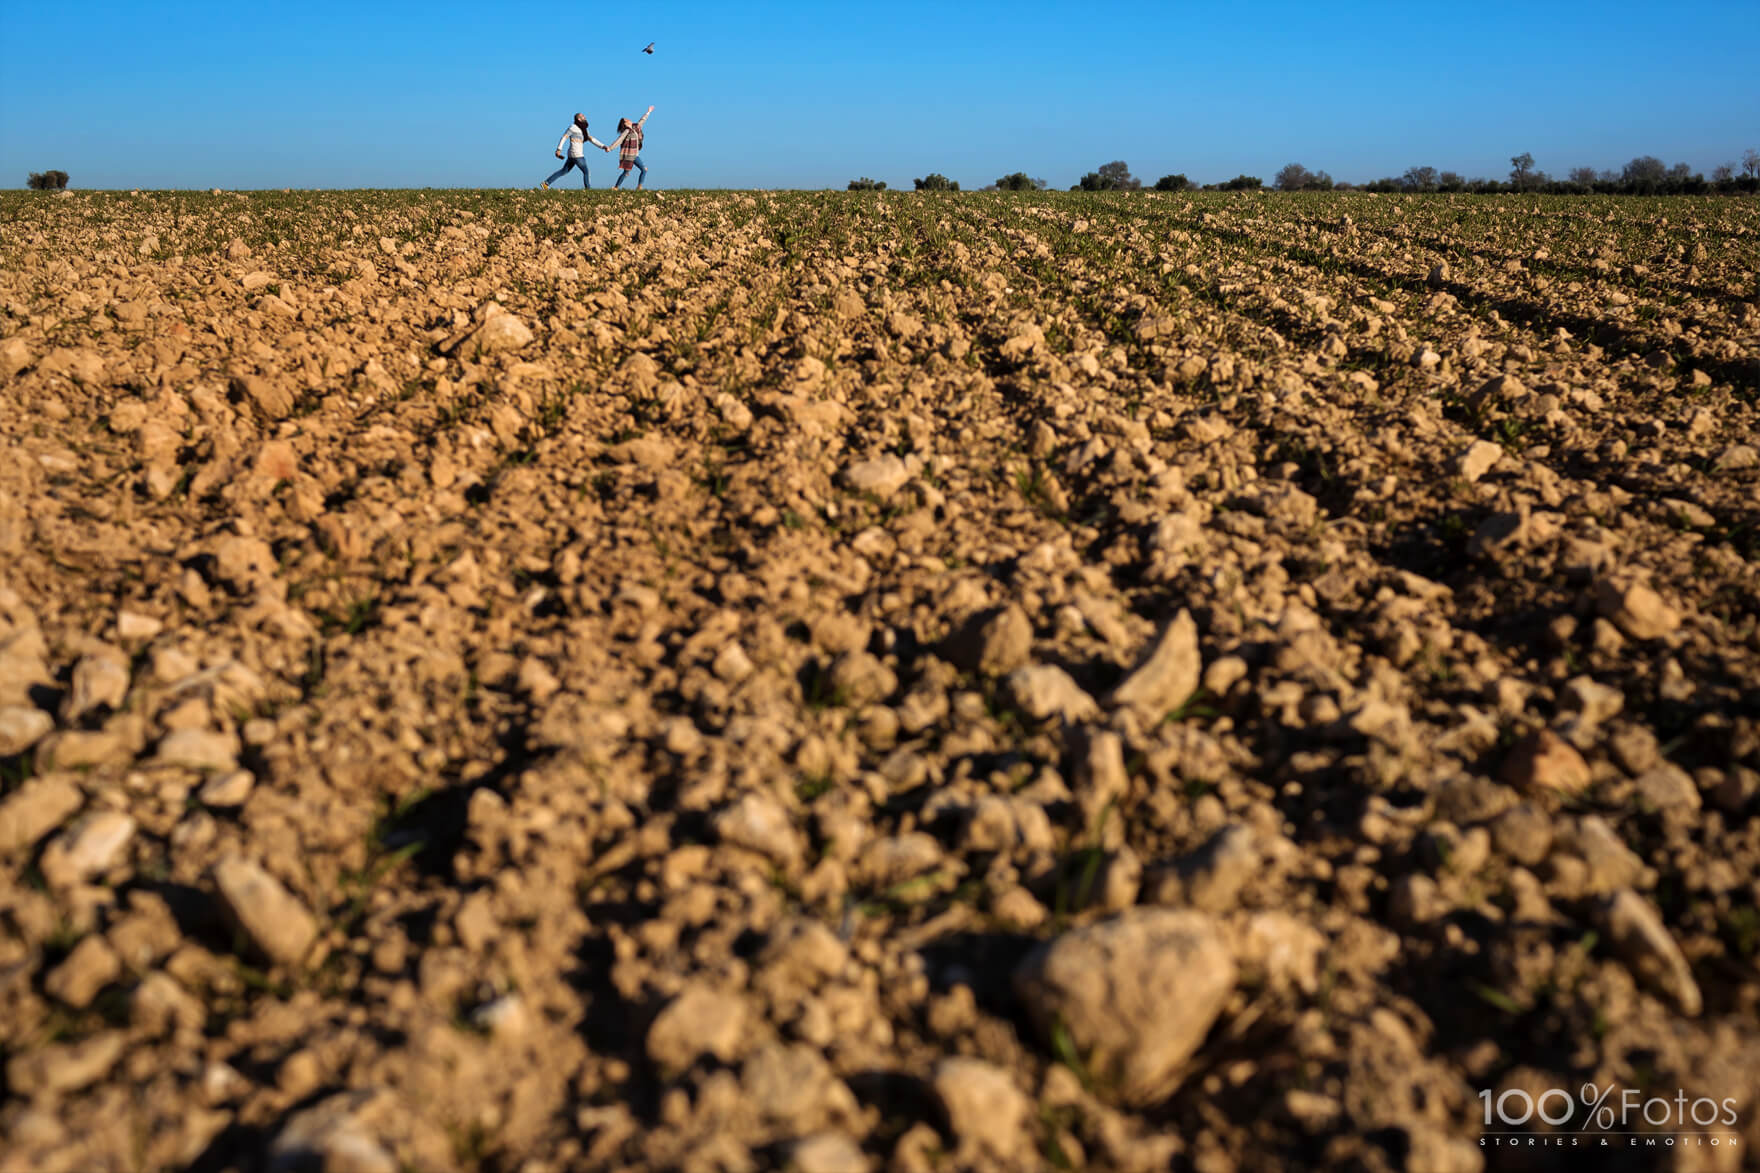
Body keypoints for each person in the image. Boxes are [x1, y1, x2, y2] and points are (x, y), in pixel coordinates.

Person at [540, 114, 610, 189]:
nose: (585, 117)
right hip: (577, 154)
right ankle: (588, 189)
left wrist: (603, 146)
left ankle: (545, 183)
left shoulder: (584, 129)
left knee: (564, 171)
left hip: (572, 155)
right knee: (586, 172)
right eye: (583, 116)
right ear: (579, 119)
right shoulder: (573, 127)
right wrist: (559, 149)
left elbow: (592, 139)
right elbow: (564, 137)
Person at [607, 106, 655, 190]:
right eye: (627, 120)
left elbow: (642, 121)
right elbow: (619, 140)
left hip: (635, 154)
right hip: (629, 155)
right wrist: (610, 148)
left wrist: (648, 112)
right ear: (625, 123)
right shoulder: (627, 131)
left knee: (639, 170)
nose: (629, 120)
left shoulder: (635, 128)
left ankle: (638, 186)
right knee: (630, 172)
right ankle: (616, 187)